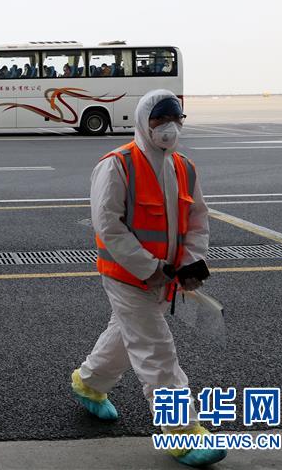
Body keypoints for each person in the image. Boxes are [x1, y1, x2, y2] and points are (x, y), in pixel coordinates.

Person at [70, 90, 226, 468]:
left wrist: (192, 263)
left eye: (176, 120)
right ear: (144, 122)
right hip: (129, 278)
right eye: (160, 121)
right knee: (157, 351)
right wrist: (149, 266)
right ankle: (182, 433)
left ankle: (89, 384)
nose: (169, 129)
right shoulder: (117, 166)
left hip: (168, 277)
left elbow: (198, 220)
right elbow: (108, 226)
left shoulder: (184, 167)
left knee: (127, 335)